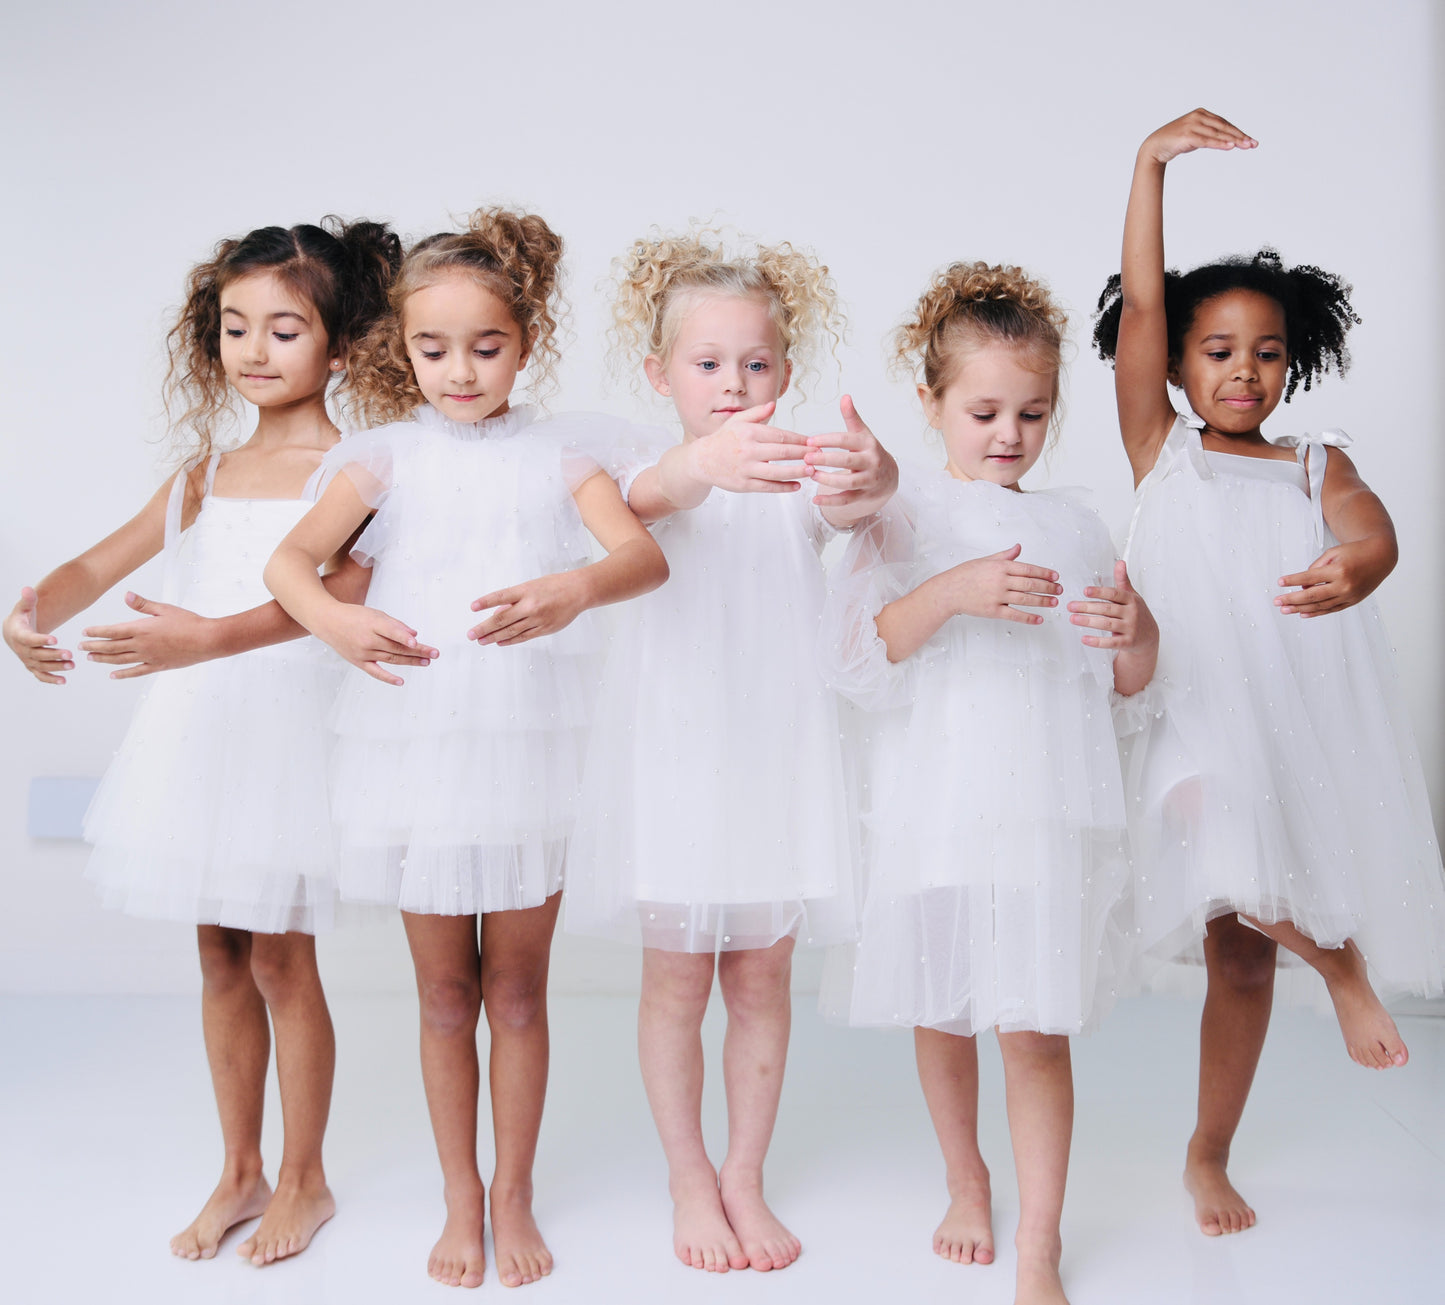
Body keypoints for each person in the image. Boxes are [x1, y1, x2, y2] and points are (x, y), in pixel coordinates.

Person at [264, 207, 668, 1289]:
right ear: (401, 347)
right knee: (445, 996)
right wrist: (340, 622)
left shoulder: (562, 452)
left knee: (519, 994)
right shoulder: (383, 459)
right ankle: (457, 1197)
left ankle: (513, 1193)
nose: (459, 370)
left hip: (530, 748)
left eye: (485, 347)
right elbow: (289, 567)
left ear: (525, 343)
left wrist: (576, 585)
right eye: (433, 349)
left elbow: (640, 559)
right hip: (419, 753)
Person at [3, 217, 404, 1264]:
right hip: (198, 733)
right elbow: (94, 566)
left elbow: (328, 599)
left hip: (288, 730)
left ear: (342, 344)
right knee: (218, 954)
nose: (256, 350)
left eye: (283, 328)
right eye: (235, 328)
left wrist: (205, 640)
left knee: (281, 957)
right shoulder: (202, 475)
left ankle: (306, 1178)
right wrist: (26, 613)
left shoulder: (357, 472)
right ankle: (240, 1168)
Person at [1093, 106, 1445, 1237]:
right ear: (1177, 364)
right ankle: (1341, 971)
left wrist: (1362, 562)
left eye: (1266, 352)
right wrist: (1148, 165)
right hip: (1182, 705)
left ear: (1294, 362)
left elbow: (1368, 523)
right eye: (1215, 350)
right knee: (1215, 846)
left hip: (1276, 716)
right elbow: (1140, 301)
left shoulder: (1307, 463)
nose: (1242, 372)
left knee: (1238, 957)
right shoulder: (1162, 449)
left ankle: (1207, 1153)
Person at [821, 262, 1156, 1305]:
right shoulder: (903, 510)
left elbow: (1126, 688)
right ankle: (965, 1178)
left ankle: (1039, 1242)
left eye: (1031, 412)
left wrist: (1135, 633)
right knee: (942, 1006)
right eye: (981, 410)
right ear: (928, 405)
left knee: (1032, 1024)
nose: (1007, 433)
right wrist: (955, 589)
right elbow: (865, 652)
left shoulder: (1076, 524)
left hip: (1042, 813)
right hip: (936, 802)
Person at [564, 228, 897, 1273]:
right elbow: (657, 497)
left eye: (754, 363)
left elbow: (857, 509)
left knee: (760, 980)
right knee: (676, 982)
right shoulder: (637, 468)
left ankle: (743, 1173)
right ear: (662, 374)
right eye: (705, 364)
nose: (731, 382)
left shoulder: (798, 469)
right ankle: (685, 1175)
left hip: (777, 758)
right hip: (674, 762)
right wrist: (701, 461)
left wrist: (871, 475)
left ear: (785, 373)